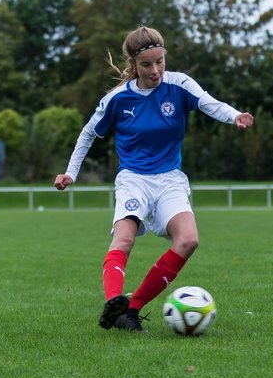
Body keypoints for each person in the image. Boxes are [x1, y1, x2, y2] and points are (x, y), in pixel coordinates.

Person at [54, 25, 254, 332]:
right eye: (147, 64)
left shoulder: (179, 85)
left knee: (188, 240)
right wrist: (71, 172)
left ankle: (131, 311)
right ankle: (114, 304)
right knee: (124, 239)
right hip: (133, 178)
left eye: (159, 61)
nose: (156, 70)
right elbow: (88, 133)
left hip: (170, 180)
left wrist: (235, 115)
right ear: (133, 65)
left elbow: (208, 102)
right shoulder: (119, 98)